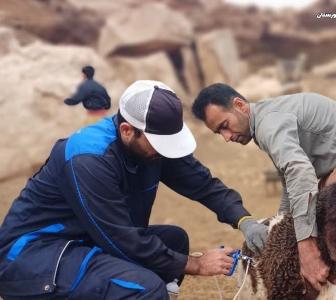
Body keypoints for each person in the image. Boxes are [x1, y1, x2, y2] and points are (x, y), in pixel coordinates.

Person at [0, 80, 267, 299]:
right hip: (34, 256)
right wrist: (196, 264)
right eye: (159, 145)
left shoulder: (151, 145)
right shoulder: (89, 159)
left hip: (85, 241)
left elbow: (203, 185)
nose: (165, 152)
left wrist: (244, 221)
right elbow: (121, 238)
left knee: (173, 240)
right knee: (145, 287)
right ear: (127, 131)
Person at [191, 83, 336, 300]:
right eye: (219, 132)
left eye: (225, 125)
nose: (226, 137)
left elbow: (300, 172)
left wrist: (306, 248)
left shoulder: (268, 123)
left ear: (240, 105)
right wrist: (281, 226)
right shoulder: (266, 119)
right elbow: (290, 179)